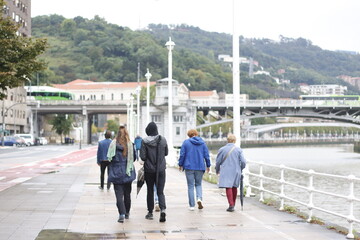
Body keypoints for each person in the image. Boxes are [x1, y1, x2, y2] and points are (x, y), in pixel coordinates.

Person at [140, 122, 168, 222]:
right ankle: (163, 210)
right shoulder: (163, 139)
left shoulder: (144, 141)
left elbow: (143, 157)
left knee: (150, 191)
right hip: (161, 170)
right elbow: (166, 153)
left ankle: (150, 212)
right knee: (160, 191)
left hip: (149, 170)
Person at [107, 125, 136, 223]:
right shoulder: (130, 145)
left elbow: (109, 158)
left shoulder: (112, 145)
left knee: (119, 195)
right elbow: (134, 158)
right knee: (127, 194)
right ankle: (127, 212)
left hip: (116, 172)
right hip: (128, 172)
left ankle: (121, 214)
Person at [178, 129, 211, 211]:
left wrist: (180, 164)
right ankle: (199, 198)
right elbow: (206, 155)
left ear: (189, 135)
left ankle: (192, 206)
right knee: (198, 184)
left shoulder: (186, 142)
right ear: (196, 134)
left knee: (190, 186)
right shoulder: (202, 143)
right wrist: (208, 165)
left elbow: (182, 154)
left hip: (189, 167)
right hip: (200, 167)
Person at [215, 134, 246, 212]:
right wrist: (241, 168)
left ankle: (231, 205)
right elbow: (243, 161)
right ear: (234, 141)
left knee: (228, 187)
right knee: (234, 186)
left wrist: (217, 169)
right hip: (236, 170)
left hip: (226, 170)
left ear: (227, 140)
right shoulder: (239, 150)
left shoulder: (222, 149)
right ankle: (233, 204)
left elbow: (218, 161)